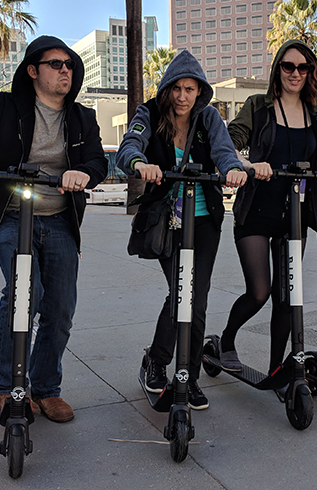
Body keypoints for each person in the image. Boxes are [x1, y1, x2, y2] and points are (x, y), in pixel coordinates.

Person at [0, 35, 108, 423]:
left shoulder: (83, 117)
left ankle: (47, 388)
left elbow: (99, 161)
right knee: (23, 293)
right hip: (12, 216)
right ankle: (8, 387)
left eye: (69, 64)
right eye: (56, 64)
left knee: (61, 308)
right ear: (33, 70)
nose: (65, 70)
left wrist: (83, 172)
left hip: (60, 220)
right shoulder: (8, 107)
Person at [117, 50, 247, 410]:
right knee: (181, 293)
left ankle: (186, 376)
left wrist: (233, 169)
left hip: (204, 222)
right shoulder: (149, 113)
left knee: (197, 297)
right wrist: (139, 162)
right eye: (177, 88)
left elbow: (224, 153)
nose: (182, 96)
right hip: (167, 221)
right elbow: (129, 146)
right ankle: (157, 360)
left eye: (190, 89)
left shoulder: (209, 119)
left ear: (200, 91)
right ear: (167, 89)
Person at [218, 40, 317, 378]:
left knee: (287, 296)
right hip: (257, 212)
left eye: (302, 68)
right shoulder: (258, 105)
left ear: (310, 73)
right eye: (288, 66)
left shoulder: (315, 114)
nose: (295, 73)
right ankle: (225, 340)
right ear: (278, 69)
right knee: (260, 292)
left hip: (294, 216)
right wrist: (248, 164)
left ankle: (277, 369)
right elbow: (229, 140)